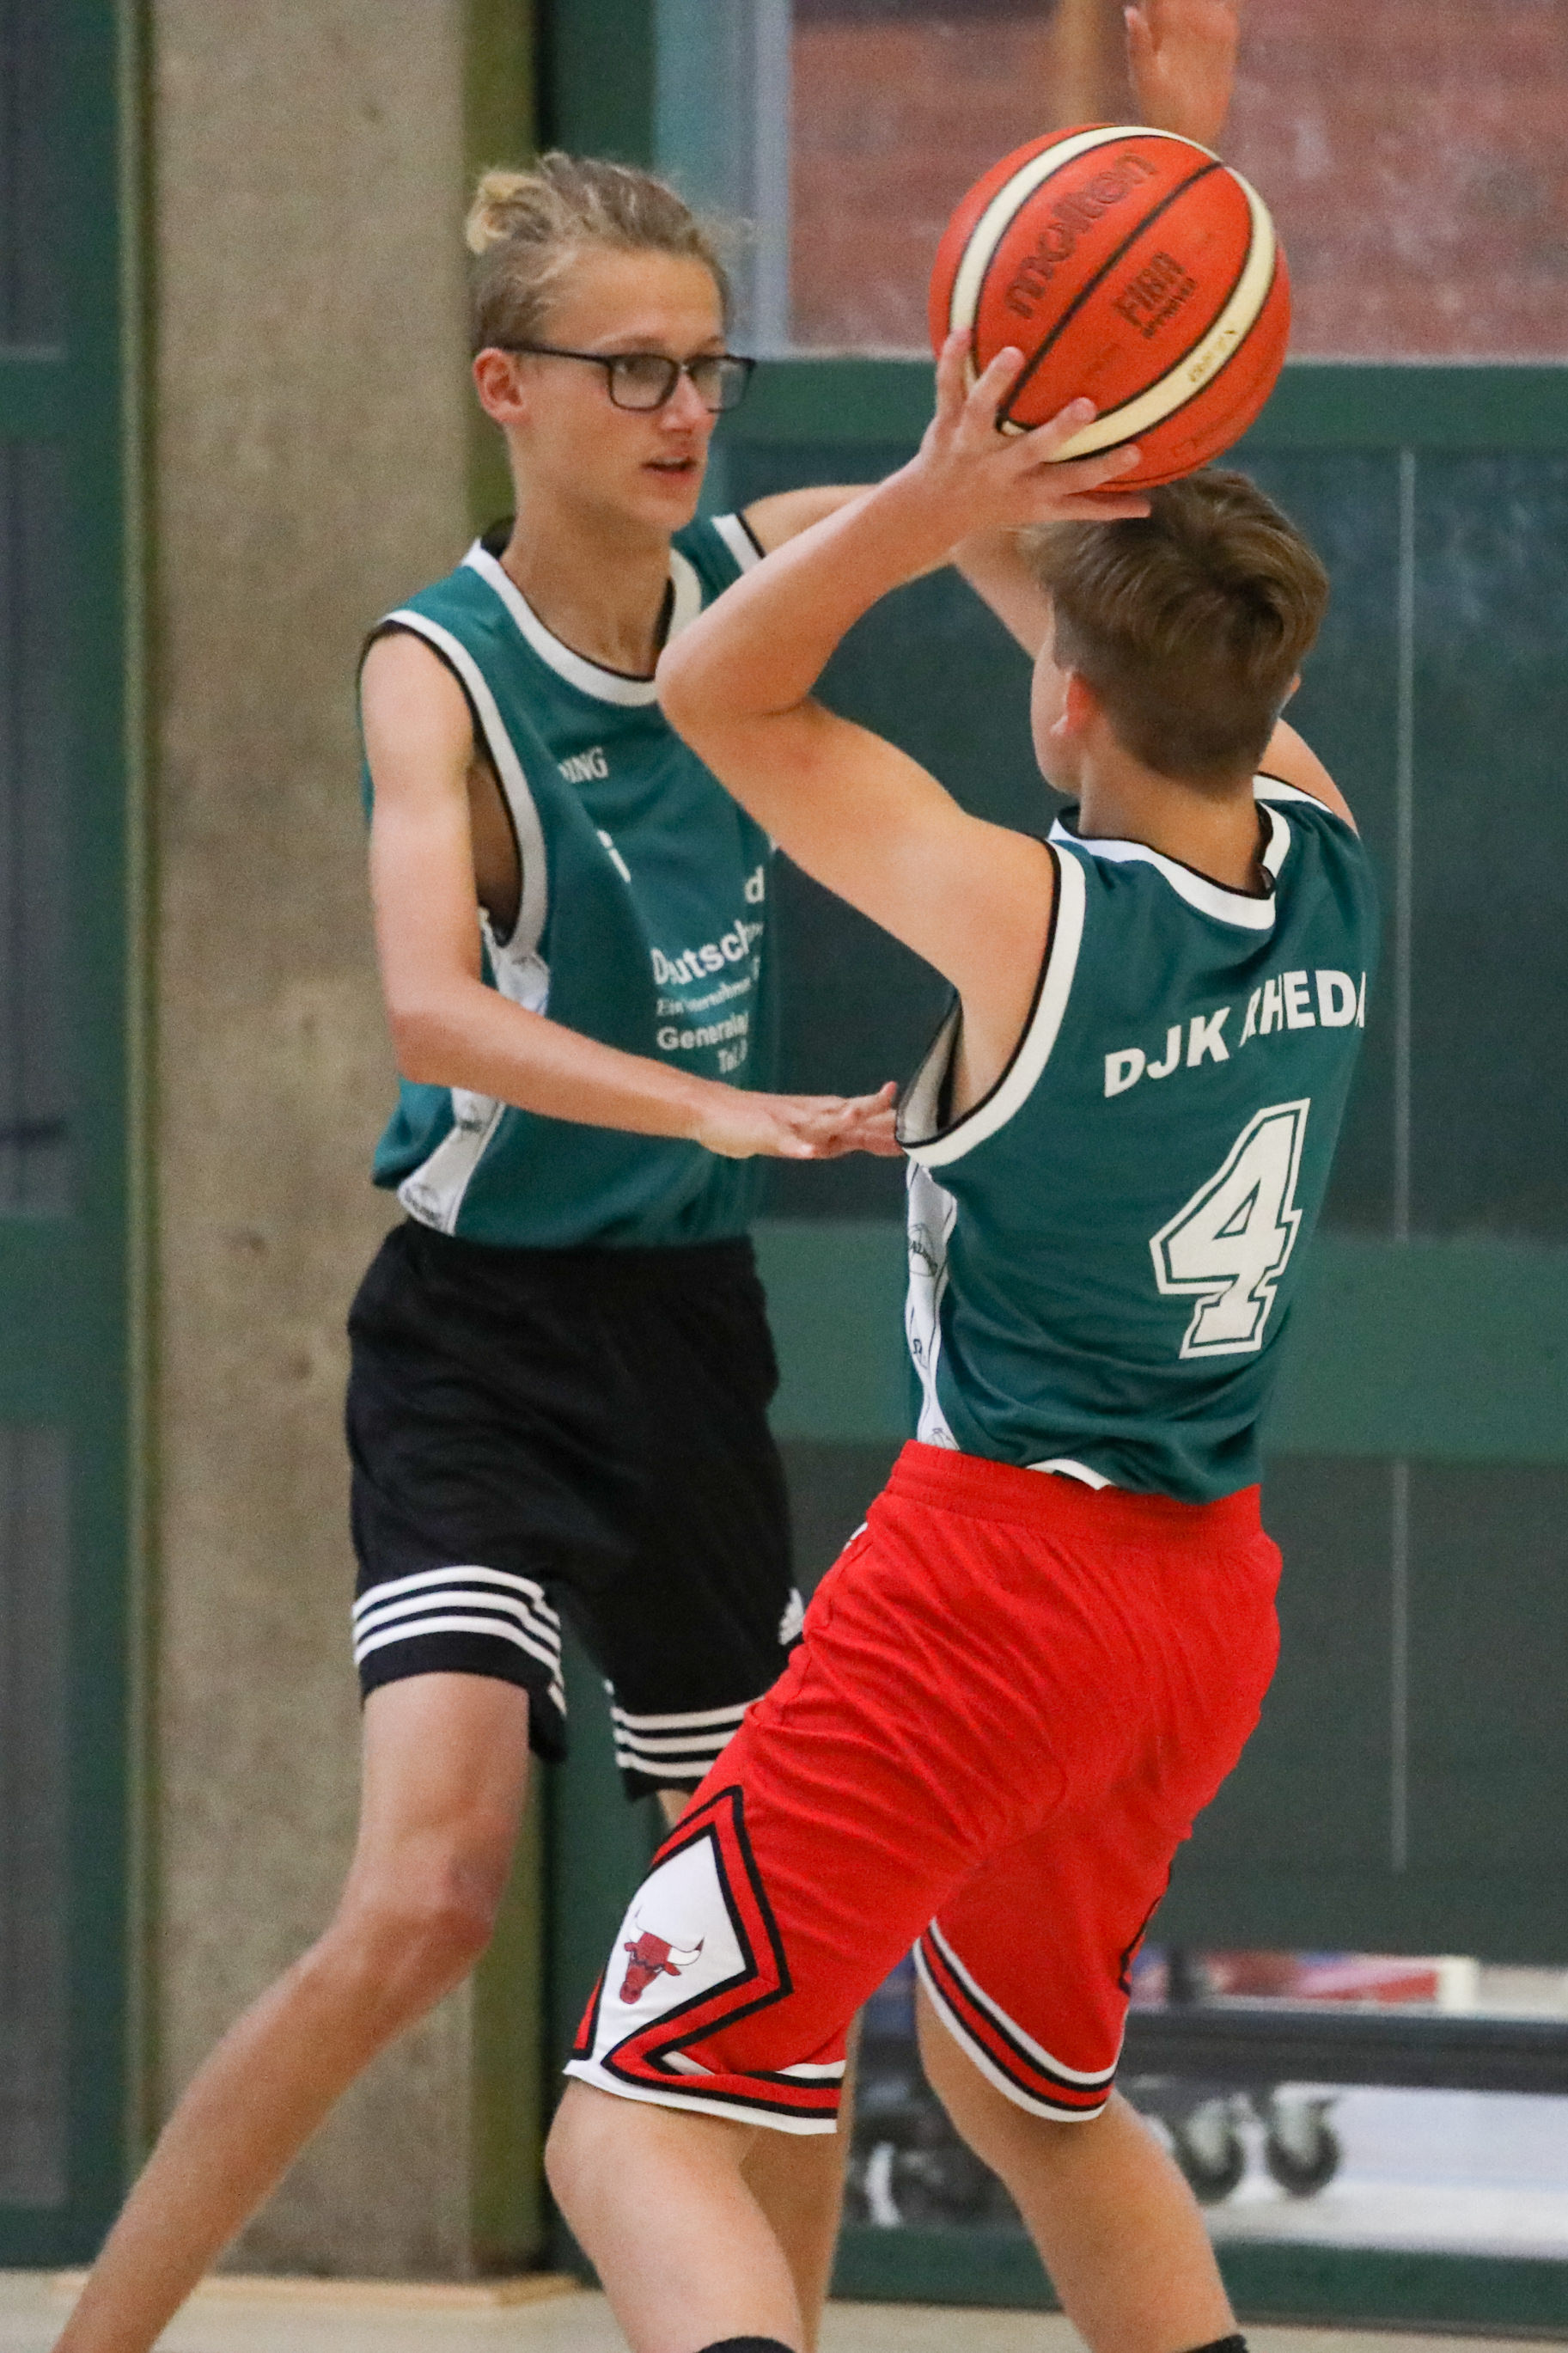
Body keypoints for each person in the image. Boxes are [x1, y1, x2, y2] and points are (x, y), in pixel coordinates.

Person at [57, 10, 1239, 2350]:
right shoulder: (437, 670)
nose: (683, 408)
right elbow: (430, 1011)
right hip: (480, 1339)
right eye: (630, 371)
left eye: (704, 365)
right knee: (427, 1901)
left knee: (759, 1961)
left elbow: (1041, 457)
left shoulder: (753, 577)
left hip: (688, 1344)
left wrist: (1156, 153)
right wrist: (704, 1106)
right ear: (506, 390)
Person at [545, 346, 1376, 2353]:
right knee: (1034, 2098)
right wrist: (1034, 515)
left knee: (633, 2118)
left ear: (1066, 702)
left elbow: (714, 690)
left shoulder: (1028, 916)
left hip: (990, 1590)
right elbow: (1145, 663)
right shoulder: (1329, 858)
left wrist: (930, 497)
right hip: (1194, 1610)